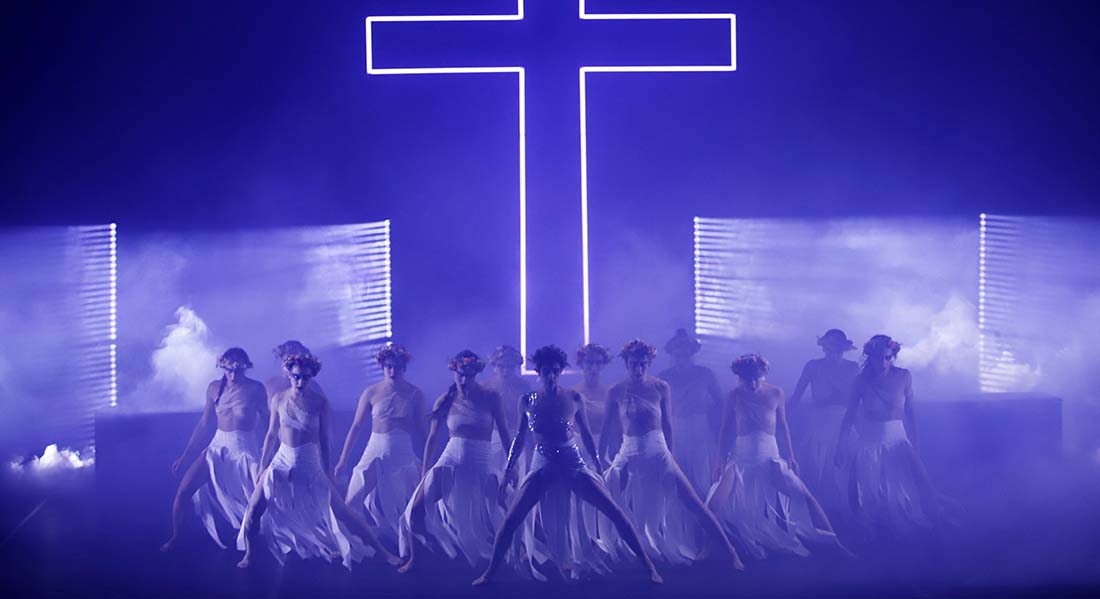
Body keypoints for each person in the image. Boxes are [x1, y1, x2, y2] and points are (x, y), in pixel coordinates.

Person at [473, 346, 662, 585]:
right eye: (545, 371)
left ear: (560, 371)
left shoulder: (573, 398)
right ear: (538, 372)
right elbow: (519, 440)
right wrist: (508, 473)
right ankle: (490, 573)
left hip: (572, 462)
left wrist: (598, 468)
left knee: (615, 512)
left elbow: (586, 436)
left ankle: (649, 566)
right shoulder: (527, 401)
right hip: (542, 463)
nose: (550, 376)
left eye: (554, 371)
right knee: (512, 519)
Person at [237, 352, 399, 568]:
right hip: (281, 460)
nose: (300, 382)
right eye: (296, 377)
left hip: (308, 461)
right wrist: (263, 467)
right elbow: (270, 434)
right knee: (254, 510)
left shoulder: (320, 403)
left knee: (344, 514)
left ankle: (384, 553)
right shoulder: (278, 399)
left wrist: (328, 470)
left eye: (305, 377)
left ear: (311, 376)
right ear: (288, 374)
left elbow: (323, 439)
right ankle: (249, 553)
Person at [599, 339, 743, 568]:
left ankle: (730, 552)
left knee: (693, 501)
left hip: (659, 450)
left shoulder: (660, 387)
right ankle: (616, 552)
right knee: (609, 496)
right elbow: (606, 430)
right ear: (626, 363)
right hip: (628, 451)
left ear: (649, 363)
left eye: (643, 364)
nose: (638, 369)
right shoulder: (615, 391)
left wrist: (670, 454)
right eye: (634, 364)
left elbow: (667, 425)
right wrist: (600, 461)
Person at [708, 354, 847, 559]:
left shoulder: (776, 393)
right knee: (713, 506)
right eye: (747, 379)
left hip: (769, 456)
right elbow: (725, 429)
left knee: (805, 497)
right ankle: (728, 549)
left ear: (763, 374)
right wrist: (719, 460)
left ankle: (836, 544)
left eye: (756, 378)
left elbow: (783, 426)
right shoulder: (734, 396)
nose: (753, 383)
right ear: (739, 377)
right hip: (741, 457)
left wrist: (790, 455)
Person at [398, 350, 511, 572]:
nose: (464, 379)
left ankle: (519, 552)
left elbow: (505, 433)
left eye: (468, 375)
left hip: (480, 459)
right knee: (415, 509)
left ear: (476, 374)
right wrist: (425, 470)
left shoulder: (490, 397)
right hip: (450, 458)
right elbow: (432, 438)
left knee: (506, 506)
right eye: (460, 374)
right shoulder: (445, 400)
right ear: (454, 372)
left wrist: (511, 465)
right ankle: (415, 558)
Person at [834, 335, 952, 540]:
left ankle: (941, 519)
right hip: (869, 442)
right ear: (869, 358)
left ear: (893, 356)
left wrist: (915, 442)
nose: (883, 363)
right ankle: (866, 529)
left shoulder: (904, 376)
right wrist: (841, 445)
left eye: (887, 358)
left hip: (899, 440)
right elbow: (850, 414)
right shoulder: (861, 381)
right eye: (878, 358)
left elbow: (911, 411)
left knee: (922, 481)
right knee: (859, 492)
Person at [161, 348, 268, 551]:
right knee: (183, 492)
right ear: (223, 368)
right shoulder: (214, 388)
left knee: (260, 498)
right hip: (218, 446)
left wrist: (268, 453)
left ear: (245, 369)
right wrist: (185, 456)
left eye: (238, 371)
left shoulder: (256, 389)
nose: (233, 376)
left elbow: (269, 422)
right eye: (229, 371)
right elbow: (204, 423)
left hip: (245, 448)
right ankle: (176, 537)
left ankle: (260, 542)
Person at [335, 342, 426, 549]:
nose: (392, 371)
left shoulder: (415, 393)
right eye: (388, 367)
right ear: (382, 367)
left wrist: (426, 461)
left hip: (402, 451)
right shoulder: (371, 392)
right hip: (375, 448)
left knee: (406, 503)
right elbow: (356, 426)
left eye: (396, 367)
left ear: (404, 367)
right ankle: (348, 545)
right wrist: (342, 460)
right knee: (352, 499)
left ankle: (408, 549)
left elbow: (422, 431)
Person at [789, 329, 861, 510]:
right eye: (829, 350)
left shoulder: (852, 368)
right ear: (824, 349)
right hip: (819, 422)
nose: (833, 354)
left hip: (843, 423)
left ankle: (846, 510)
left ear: (844, 350)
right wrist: (784, 419)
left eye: (837, 350)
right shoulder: (813, 366)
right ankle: (818, 510)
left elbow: (858, 399)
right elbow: (797, 395)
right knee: (815, 466)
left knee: (845, 469)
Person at [659, 328, 724, 496]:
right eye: (678, 350)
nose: (681, 354)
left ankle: (705, 514)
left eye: (685, 350)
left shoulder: (705, 374)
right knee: (678, 475)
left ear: (691, 352)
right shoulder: (664, 377)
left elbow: (721, 402)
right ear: (672, 353)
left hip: (699, 428)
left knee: (702, 475)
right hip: (676, 427)